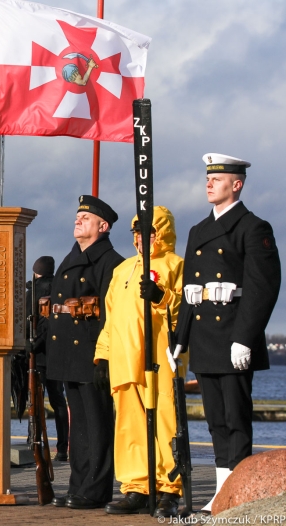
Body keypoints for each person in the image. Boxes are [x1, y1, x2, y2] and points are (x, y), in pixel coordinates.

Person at [174, 154, 280, 512]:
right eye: (207, 178)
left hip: (233, 335)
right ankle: (222, 493)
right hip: (204, 338)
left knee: (236, 418)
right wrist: (180, 340)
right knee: (216, 420)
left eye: (217, 179)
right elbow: (191, 291)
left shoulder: (253, 227)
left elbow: (262, 287)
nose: (208, 184)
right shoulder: (197, 231)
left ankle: (237, 493)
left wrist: (245, 337)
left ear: (237, 185)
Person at [96, 206, 185, 517]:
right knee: (129, 424)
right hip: (124, 359)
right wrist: (103, 352)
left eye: (148, 232)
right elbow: (111, 316)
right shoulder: (122, 270)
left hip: (159, 358)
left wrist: (161, 296)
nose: (140, 238)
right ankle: (136, 485)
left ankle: (168, 487)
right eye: (136, 232)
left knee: (165, 422)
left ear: (162, 233)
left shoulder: (175, 265)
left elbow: (186, 313)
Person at [46, 195, 124, 509]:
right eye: (78, 216)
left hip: (92, 352)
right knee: (78, 423)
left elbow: (110, 312)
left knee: (97, 423)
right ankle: (78, 486)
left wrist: (102, 354)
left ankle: (95, 489)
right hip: (67, 350)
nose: (78, 220)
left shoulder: (110, 262)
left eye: (86, 218)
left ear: (103, 227)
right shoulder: (71, 258)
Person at [24, 255, 70, 461]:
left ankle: (34, 440)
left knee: (34, 400)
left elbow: (27, 321)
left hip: (37, 352)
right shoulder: (60, 288)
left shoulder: (31, 292)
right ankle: (62, 448)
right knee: (58, 400)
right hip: (57, 351)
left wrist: (29, 344)